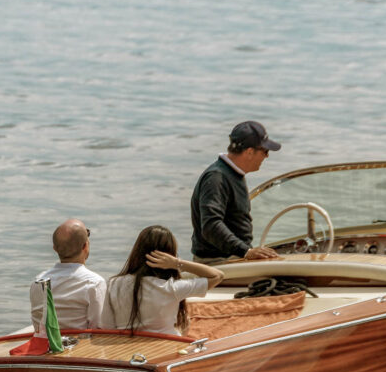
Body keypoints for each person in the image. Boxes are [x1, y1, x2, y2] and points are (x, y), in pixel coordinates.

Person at [101, 225, 223, 336]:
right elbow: (217, 276)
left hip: (124, 348)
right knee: (185, 322)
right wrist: (177, 263)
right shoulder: (171, 288)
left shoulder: (113, 284)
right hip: (167, 345)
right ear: (169, 254)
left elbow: (107, 326)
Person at [190, 120, 282, 263]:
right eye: (265, 151)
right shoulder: (216, 178)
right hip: (218, 262)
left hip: (234, 257)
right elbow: (211, 226)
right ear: (249, 152)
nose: (266, 156)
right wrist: (245, 251)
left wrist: (246, 251)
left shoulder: (232, 174)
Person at [29, 219, 106, 334]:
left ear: (54, 248)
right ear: (85, 245)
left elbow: (38, 323)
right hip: (80, 348)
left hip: (44, 345)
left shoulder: (38, 281)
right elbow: (98, 327)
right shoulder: (94, 283)